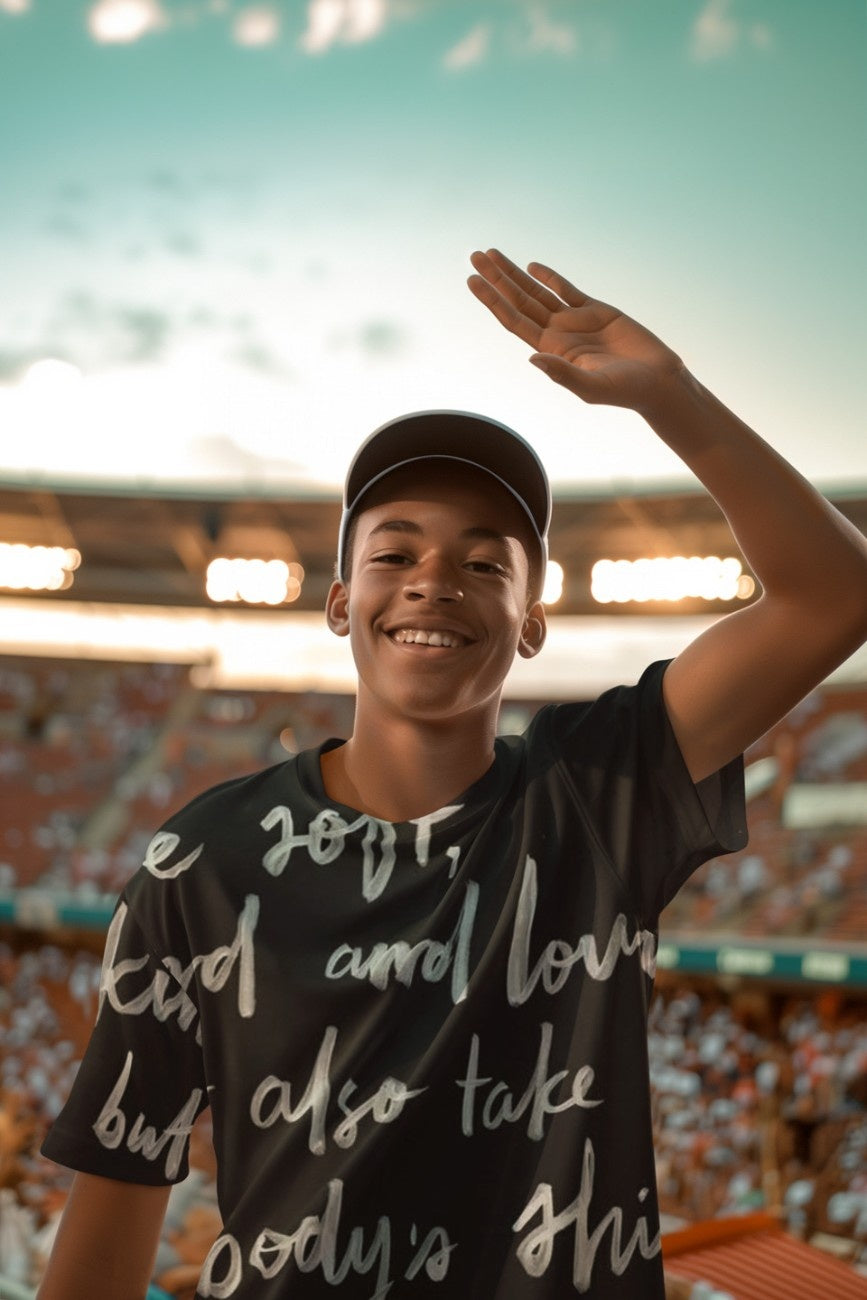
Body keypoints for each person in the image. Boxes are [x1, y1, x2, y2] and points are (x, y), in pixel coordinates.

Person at [36, 248, 867, 1299]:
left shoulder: (599, 793)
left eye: (484, 563)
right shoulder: (202, 857)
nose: (434, 581)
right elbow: (118, 1183)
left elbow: (833, 592)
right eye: (394, 553)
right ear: (339, 601)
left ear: (531, 623)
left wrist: (672, 397)